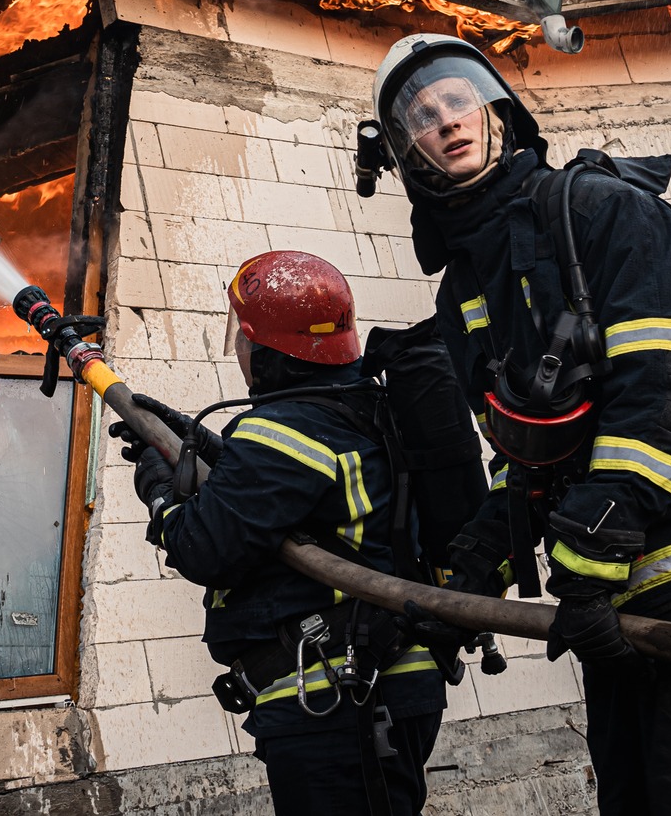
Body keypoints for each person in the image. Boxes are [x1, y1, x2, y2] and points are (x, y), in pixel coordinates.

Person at [368, 34, 671, 816]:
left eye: (459, 99)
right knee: (633, 799)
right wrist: (465, 576)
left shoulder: (601, 209)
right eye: (422, 116)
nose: (448, 121)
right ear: (406, 154)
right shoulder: (465, 285)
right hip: (603, 591)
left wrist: (591, 552)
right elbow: (521, 450)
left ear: (500, 111)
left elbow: (669, 395)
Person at [114, 250, 451, 816]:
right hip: (387, 681)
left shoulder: (284, 430)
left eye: (241, 337)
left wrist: (160, 490)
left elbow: (204, 547)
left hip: (337, 697)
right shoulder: (360, 406)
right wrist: (203, 448)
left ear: (263, 345)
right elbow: (298, 501)